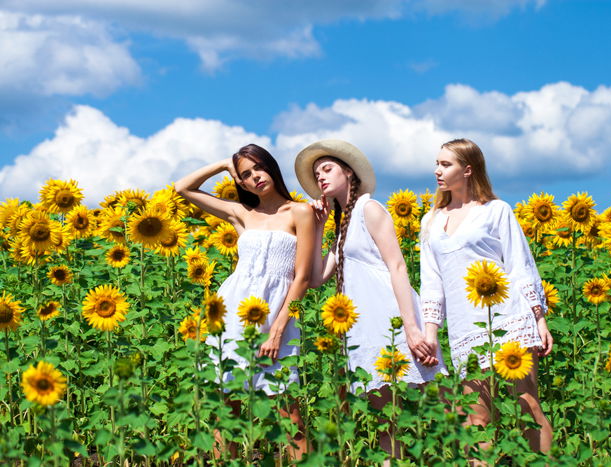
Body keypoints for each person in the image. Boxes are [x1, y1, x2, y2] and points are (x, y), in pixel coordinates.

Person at [174, 143, 314, 458]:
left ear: (272, 167)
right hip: (233, 315)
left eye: (258, 168)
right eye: (245, 174)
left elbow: (302, 278)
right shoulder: (242, 214)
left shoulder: (300, 212)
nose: (254, 178)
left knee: (288, 413)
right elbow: (182, 188)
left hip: (277, 316)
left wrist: (278, 330)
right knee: (227, 410)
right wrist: (225, 165)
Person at [295, 139, 445, 427]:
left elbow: (398, 267)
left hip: (392, 323)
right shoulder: (342, 225)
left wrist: (412, 329)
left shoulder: (369, 208)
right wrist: (319, 225)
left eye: (327, 169)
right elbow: (316, 278)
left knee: (429, 415)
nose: (321, 177)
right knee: (387, 420)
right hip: (367, 329)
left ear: (349, 172)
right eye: (317, 175)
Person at [420, 138, 553, 452]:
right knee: (475, 418)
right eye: (436, 163)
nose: (437, 170)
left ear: (467, 170)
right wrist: (431, 333)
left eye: (445, 164)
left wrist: (540, 319)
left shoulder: (496, 211)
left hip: (510, 319)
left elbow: (520, 265)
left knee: (527, 408)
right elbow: (432, 282)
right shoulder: (432, 221)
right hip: (467, 327)